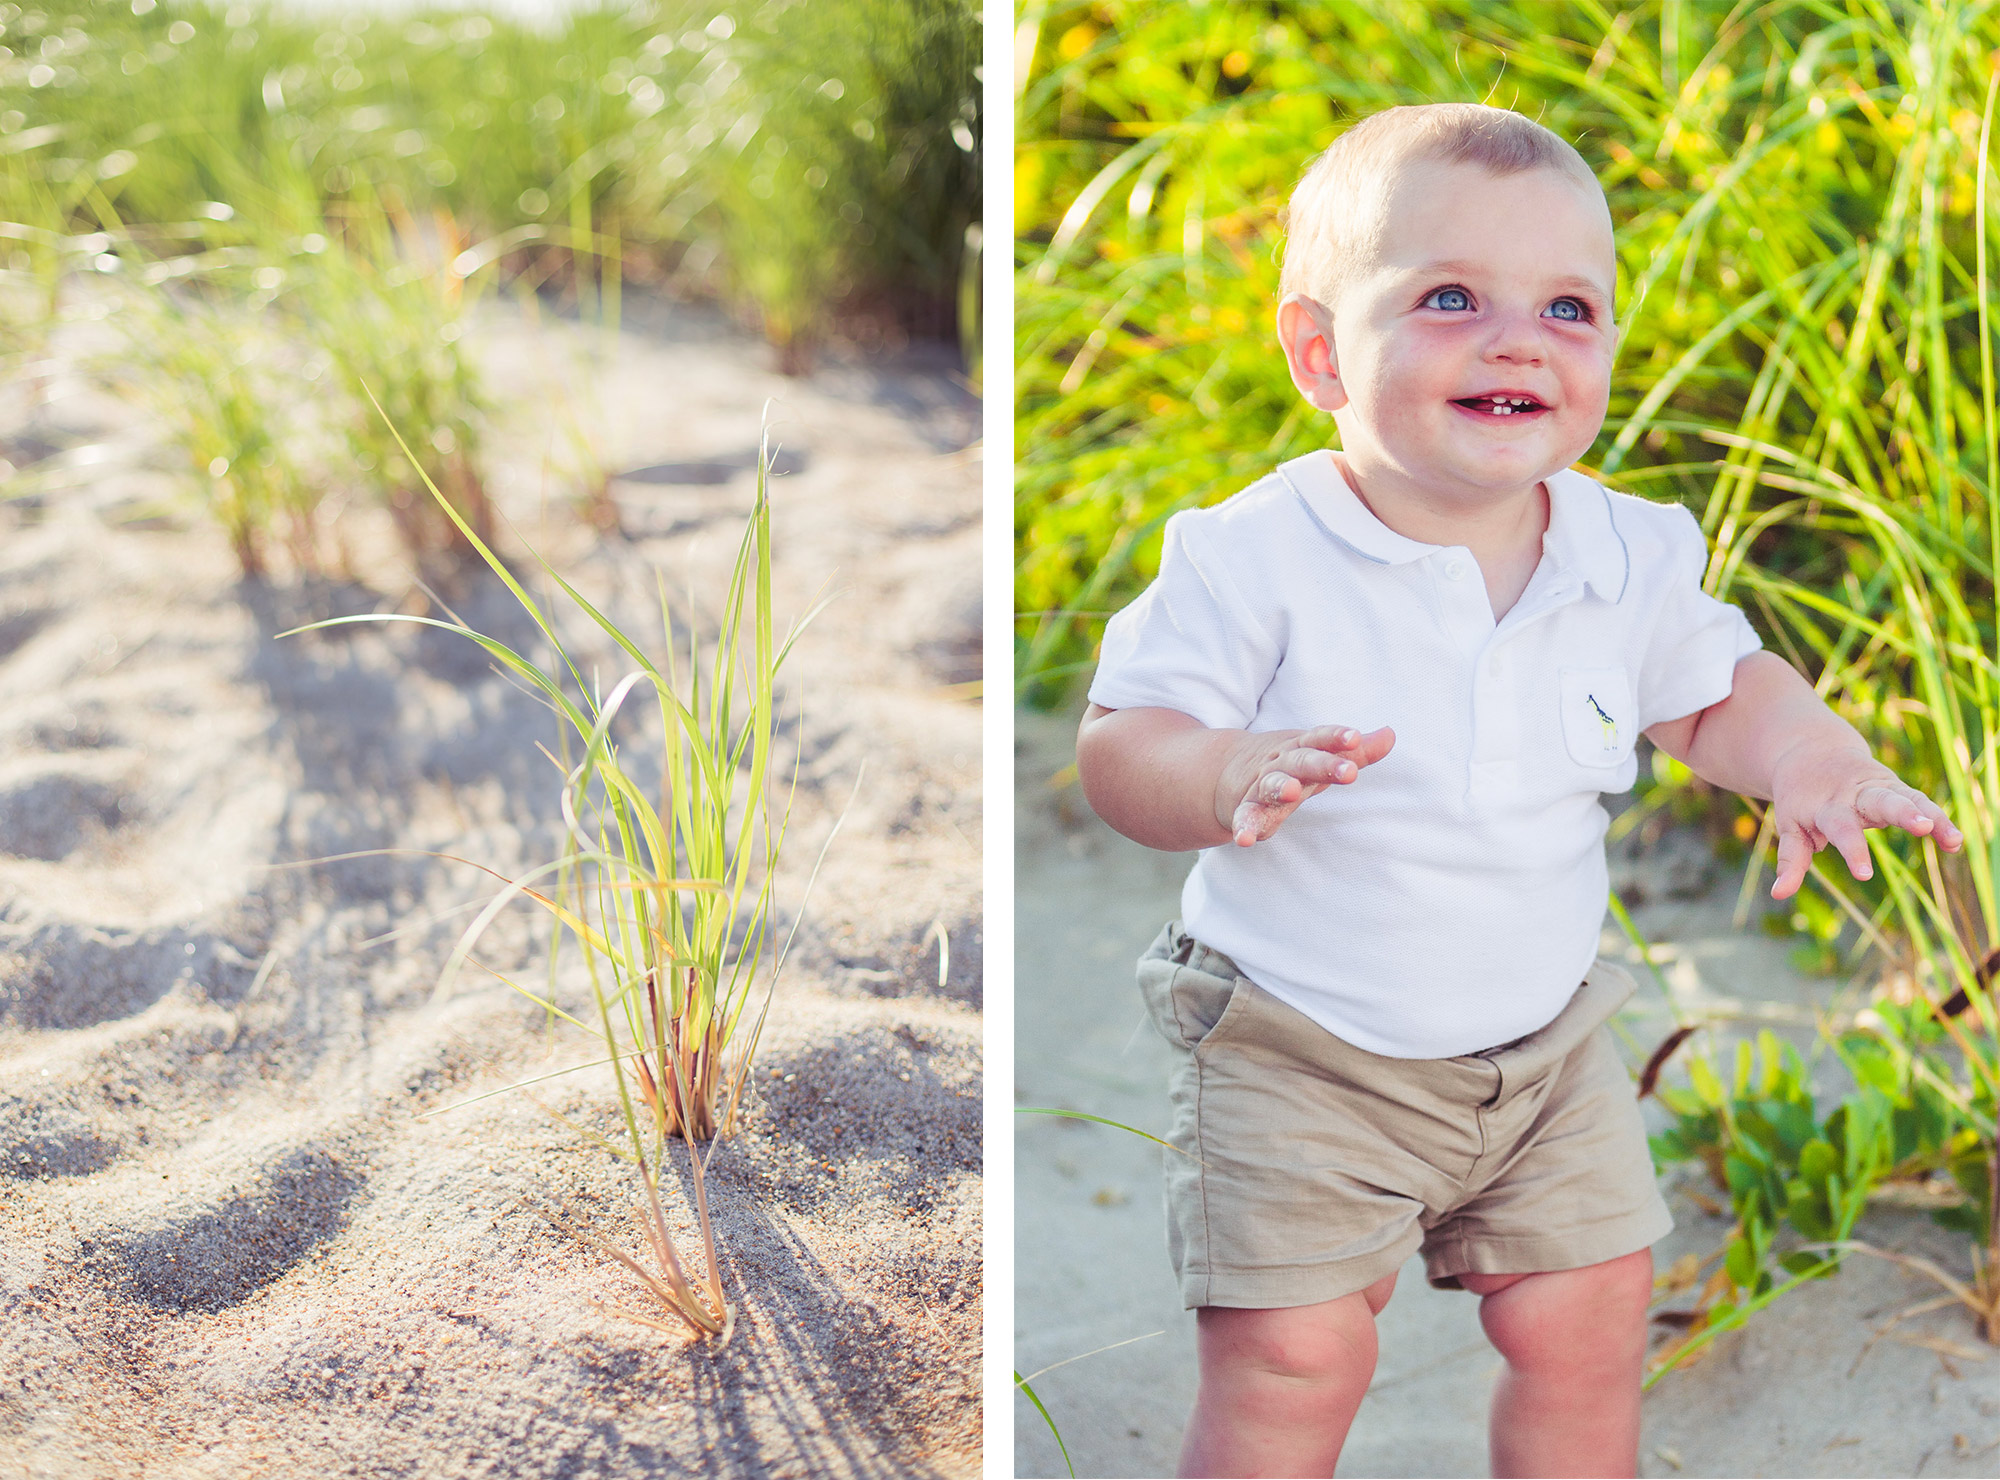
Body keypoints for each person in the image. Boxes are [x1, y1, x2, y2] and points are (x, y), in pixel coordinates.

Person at [1073, 102, 1962, 1479]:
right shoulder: (1256, 558)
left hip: (1546, 1057)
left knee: (1591, 1320)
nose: (1518, 340)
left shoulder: (1628, 554)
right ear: (1318, 352)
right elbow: (1124, 744)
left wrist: (1811, 757)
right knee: (1298, 1352)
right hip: (1300, 1050)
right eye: (1448, 298)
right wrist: (1223, 767)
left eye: (1568, 307)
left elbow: (1715, 691)